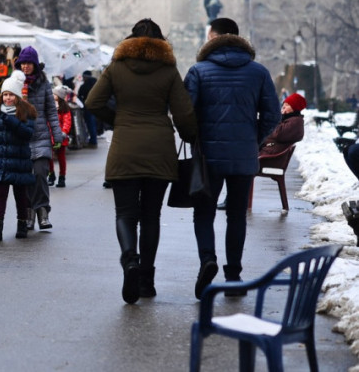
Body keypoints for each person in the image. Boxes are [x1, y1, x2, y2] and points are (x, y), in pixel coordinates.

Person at [85, 19, 197, 304]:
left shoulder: (117, 67)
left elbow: (93, 102)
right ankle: (146, 281)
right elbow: (183, 113)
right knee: (151, 216)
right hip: (159, 149)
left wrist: (118, 121)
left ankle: (129, 260)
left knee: (125, 213)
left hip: (125, 148)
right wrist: (190, 135)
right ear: (161, 41)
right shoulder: (168, 70)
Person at [184, 17, 280, 299]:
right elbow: (273, 114)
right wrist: (254, 138)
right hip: (243, 156)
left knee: (204, 212)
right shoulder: (258, 72)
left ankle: (207, 260)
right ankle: (234, 275)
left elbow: (186, 113)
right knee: (237, 215)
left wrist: (195, 139)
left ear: (213, 38)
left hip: (208, 157)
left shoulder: (198, 71)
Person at [13, 46, 65, 230]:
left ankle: (43, 212)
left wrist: (57, 134)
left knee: (41, 174)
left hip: (41, 136)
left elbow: (51, 111)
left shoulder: (43, 84)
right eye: (23, 63)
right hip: (22, 137)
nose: (25, 66)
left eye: (29, 63)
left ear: (35, 64)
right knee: (26, 177)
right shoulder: (14, 82)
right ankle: (29, 214)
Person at [0, 70, 37, 241]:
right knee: (0, 194)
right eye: (5, 95)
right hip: (2, 161)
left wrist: (13, 122)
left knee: (20, 195)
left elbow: (28, 134)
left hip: (19, 161)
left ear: (17, 96)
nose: (8, 98)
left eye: (11, 95)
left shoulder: (27, 112)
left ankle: (22, 223)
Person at [49, 87, 73, 188]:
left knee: (61, 157)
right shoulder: (49, 106)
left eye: (54, 94)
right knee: (49, 156)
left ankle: (62, 176)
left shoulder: (64, 109)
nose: (52, 95)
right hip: (49, 135)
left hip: (60, 136)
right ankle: (51, 174)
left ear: (60, 97)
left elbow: (67, 122)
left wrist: (63, 133)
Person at [78, 70, 99, 146]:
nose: (83, 79)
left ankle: (93, 141)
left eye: (83, 77)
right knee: (94, 123)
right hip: (97, 106)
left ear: (85, 77)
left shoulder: (84, 86)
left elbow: (80, 95)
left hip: (88, 106)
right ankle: (94, 138)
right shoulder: (97, 84)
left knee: (90, 123)